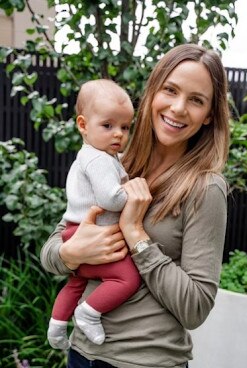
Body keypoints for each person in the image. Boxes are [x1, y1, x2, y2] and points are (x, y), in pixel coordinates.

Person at [41, 43, 229, 368]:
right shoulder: (113, 163)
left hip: (145, 361)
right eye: (170, 90)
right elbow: (52, 250)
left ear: (209, 115)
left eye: (196, 100)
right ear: (153, 91)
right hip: (82, 353)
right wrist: (72, 254)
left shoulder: (205, 188)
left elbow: (196, 307)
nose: (179, 108)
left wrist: (135, 233)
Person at [47, 79, 142, 350]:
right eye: (108, 126)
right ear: (83, 125)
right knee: (126, 279)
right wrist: (133, 194)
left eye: (125, 127)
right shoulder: (99, 159)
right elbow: (110, 198)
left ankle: (56, 327)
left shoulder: (95, 155)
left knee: (76, 281)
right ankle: (88, 313)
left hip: (75, 232)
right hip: (92, 233)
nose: (118, 135)